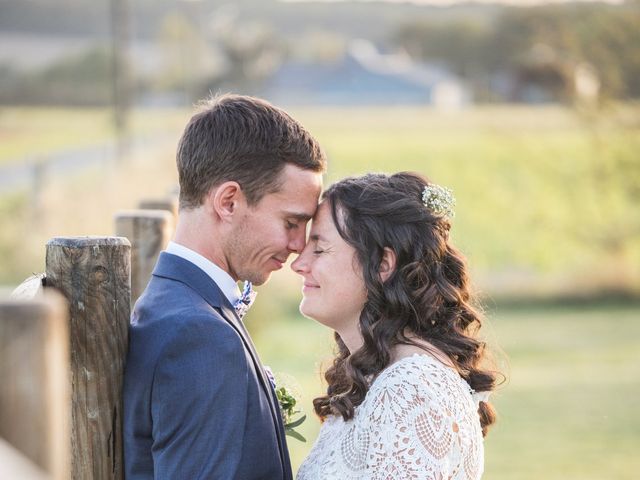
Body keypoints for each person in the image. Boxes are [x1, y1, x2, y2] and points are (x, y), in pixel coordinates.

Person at [123, 94, 326, 479]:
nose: (300, 244)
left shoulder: (175, 303)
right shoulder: (198, 334)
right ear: (229, 202)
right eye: (290, 222)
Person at [292, 172, 500, 480]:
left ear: (382, 264)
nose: (298, 263)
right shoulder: (379, 378)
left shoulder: (410, 390)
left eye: (320, 249)